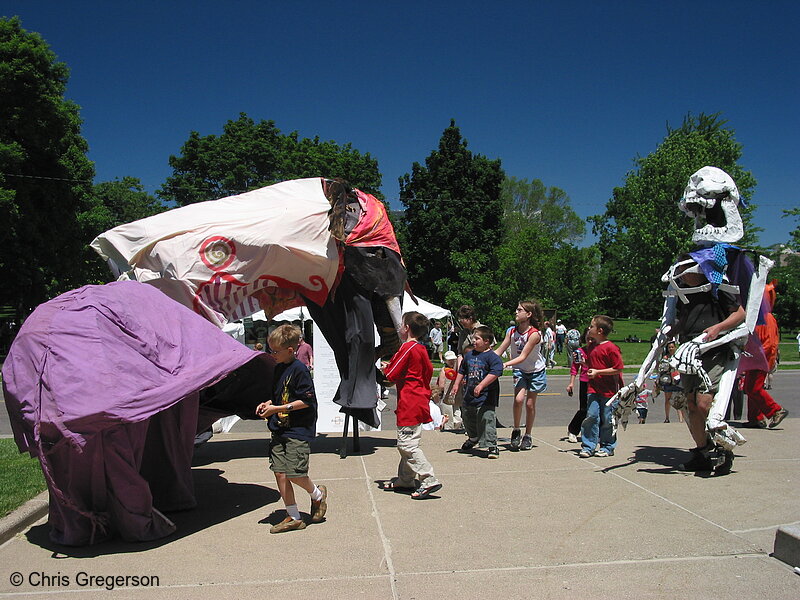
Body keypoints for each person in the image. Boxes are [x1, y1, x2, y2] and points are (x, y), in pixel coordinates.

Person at [256, 325, 327, 533]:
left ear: (289, 350)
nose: (272, 354)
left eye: (275, 351)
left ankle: (318, 495)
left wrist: (276, 409)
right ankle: (294, 516)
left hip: (298, 430)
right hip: (279, 428)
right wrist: (267, 404)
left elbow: (306, 401)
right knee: (280, 473)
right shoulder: (278, 368)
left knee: (295, 473)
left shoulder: (300, 370)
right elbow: (280, 396)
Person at [381, 311, 442, 499]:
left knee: (406, 444)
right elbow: (427, 371)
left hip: (410, 402)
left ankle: (428, 478)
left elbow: (391, 374)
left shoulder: (407, 348)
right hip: (419, 399)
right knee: (410, 441)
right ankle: (406, 479)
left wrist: (384, 368)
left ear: (406, 328)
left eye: (401, 324)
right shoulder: (422, 349)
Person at [494, 300, 546, 451]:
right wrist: (487, 358)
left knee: (530, 404)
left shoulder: (534, 334)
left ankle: (528, 435)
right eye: (516, 310)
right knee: (518, 400)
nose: (516, 312)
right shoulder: (511, 331)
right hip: (520, 370)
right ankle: (516, 430)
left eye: (519, 310)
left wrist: (505, 364)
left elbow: (523, 356)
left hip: (536, 371)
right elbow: (500, 349)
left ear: (528, 314)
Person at [452, 325, 504, 459]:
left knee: (486, 418)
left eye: (477, 339)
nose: (473, 341)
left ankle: (492, 446)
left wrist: (481, 385)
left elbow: (496, 372)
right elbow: (462, 370)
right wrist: (456, 384)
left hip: (487, 396)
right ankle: (473, 438)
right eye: (473, 338)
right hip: (469, 394)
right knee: (467, 416)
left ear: (486, 341)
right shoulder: (469, 355)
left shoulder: (492, 357)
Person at [579, 315, 624, 458]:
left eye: (591, 326)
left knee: (607, 418)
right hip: (593, 388)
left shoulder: (611, 348)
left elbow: (618, 368)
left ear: (600, 330)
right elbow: (593, 365)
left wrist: (598, 372)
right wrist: (584, 363)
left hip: (609, 391)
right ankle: (588, 446)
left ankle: (607, 446)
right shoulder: (591, 347)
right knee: (591, 416)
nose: (589, 328)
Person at [566, 327, 591, 443]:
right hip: (585, 381)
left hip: (599, 382)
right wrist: (571, 383)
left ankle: (596, 434)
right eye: (588, 338)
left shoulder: (600, 351)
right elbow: (574, 368)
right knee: (584, 409)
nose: (590, 340)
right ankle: (573, 430)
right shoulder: (580, 352)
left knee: (599, 410)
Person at [655, 341, 684, 423]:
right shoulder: (665, 358)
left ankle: (681, 419)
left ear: (675, 347)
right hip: (668, 381)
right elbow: (661, 369)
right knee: (667, 399)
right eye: (669, 347)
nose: (671, 349)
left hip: (678, 380)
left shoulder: (679, 357)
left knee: (679, 399)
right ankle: (667, 417)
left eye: (672, 347)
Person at [435, 350, 464, 431]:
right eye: (449, 360)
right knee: (448, 416)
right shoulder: (444, 370)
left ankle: (455, 429)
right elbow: (441, 385)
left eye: (453, 360)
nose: (451, 362)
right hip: (446, 396)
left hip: (456, 395)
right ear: (445, 360)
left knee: (457, 415)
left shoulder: (458, 370)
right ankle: (449, 431)